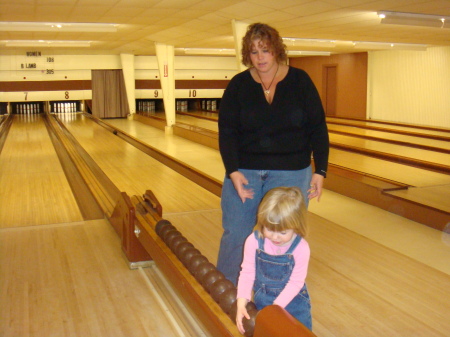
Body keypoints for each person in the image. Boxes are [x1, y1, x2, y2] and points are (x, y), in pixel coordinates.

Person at [217, 22, 329, 285]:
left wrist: (321, 170)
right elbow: (227, 131)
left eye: (265, 50)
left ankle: (277, 292)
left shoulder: (300, 81)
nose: (260, 58)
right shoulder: (239, 85)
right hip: (244, 171)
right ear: (248, 55)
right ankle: (224, 292)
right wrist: (232, 170)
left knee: (283, 234)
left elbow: (318, 127)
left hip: (291, 171)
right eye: (254, 52)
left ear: (276, 50)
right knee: (236, 233)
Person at [236, 186, 312, 333]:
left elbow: (296, 283)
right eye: (269, 229)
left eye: (283, 232)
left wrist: (274, 310)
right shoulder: (254, 241)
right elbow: (247, 273)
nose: (275, 237)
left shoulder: (301, 248)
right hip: (263, 302)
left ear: (296, 226)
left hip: (295, 305)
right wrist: (241, 301)